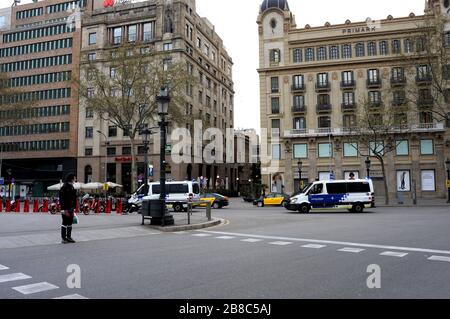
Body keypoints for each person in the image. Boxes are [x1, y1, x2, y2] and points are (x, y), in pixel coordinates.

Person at [59, 173, 78, 244]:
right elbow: (61, 199)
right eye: (74, 178)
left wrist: (74, 207)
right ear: (71, 178)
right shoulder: (64, 187)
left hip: (71, 208)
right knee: (64, 223)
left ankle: (69, 237)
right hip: (65, 208)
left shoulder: (72, 187)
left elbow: (74, 198)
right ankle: (63, 238)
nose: (75, 179)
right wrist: (62, 209)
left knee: (70, 223)